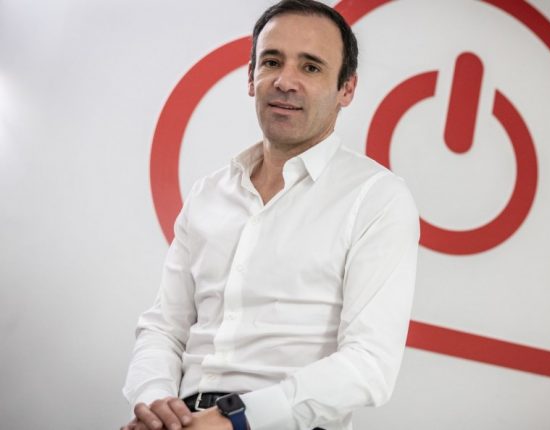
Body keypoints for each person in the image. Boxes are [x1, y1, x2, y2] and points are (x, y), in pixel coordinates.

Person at [121, 1, 420, 429]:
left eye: (311, 67)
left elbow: (369, 364)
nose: (285, 81)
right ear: (251, 77)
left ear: (346, 89)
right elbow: (164, 329)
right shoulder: (209, 193)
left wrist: (234, 419)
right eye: (272, 62)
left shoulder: (377, 197)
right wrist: (156, 405)